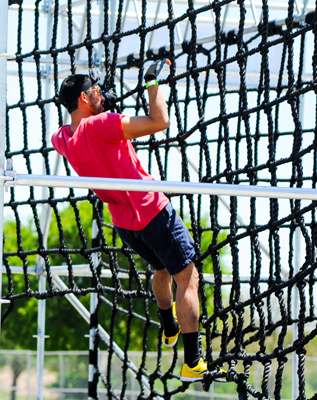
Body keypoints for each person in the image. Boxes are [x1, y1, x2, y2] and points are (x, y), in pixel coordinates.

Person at [51, 65, 224, 382]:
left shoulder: (63, 139)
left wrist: (104, 109)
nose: (100, 93)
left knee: (162, 270)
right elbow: (160, 121)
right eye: (95, 91)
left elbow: (93, 139)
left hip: (126, 225)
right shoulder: (103, 124)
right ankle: (192, 362)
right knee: (188, 278)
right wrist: (152, 84)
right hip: (153, 213)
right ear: (83, 97)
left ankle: (169, 326)